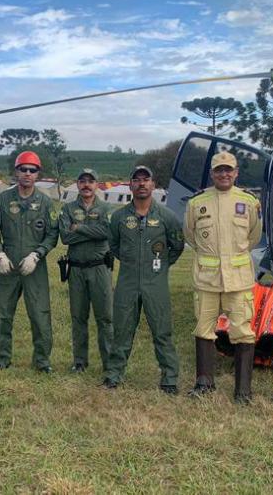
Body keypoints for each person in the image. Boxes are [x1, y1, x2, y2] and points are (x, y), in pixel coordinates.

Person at [183, 152, 261, 403]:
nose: (224, 174)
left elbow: (254, 236)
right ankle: (204, 382)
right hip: (207, 279)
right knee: (204, 329)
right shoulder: (197, 203)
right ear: (212, 173)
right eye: (219, 170)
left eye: (229, 170)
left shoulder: (249, 202)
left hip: (238, 281)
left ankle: (243, 391)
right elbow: (190, 236)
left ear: (236, 173)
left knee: (242, 332)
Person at [103, 166, 184, 394]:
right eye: (136, 180)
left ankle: (169, 378)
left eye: (145, 180)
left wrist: (160, 266)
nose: (141, 184)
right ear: (130, 185)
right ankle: (114, 375)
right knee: (122, 331)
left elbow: (176, 246)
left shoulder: (167, 217)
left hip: (155, 284)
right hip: (127, 283)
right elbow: (114, 246)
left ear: (153, 185)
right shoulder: (119, 217)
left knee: (162, 331)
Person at [0, 151, 59, 373]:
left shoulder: (45, 202)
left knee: (39, 313)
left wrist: (37, 254)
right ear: (16, 172)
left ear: (38, 174)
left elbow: (52, 234)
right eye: (23, 169)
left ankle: (42, 361)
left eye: (32, 170)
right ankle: (2, 358)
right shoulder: (3, 199)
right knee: (2, 312)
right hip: (8, 266)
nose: (27, 174)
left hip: (34, 267)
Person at [58, 168, 114, 373]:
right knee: (78, 317)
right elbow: (65, 237)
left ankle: (109, 362)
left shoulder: (107, 207)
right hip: (77, 270)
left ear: (97, 184)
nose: (86, 185)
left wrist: (79, 228)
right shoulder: (68, 209)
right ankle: (80, 362)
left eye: (91, 181)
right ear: (77, 184)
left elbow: (107, 232)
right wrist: (94, 232)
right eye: (82, 181)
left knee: (105, 317)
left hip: (100, 268)